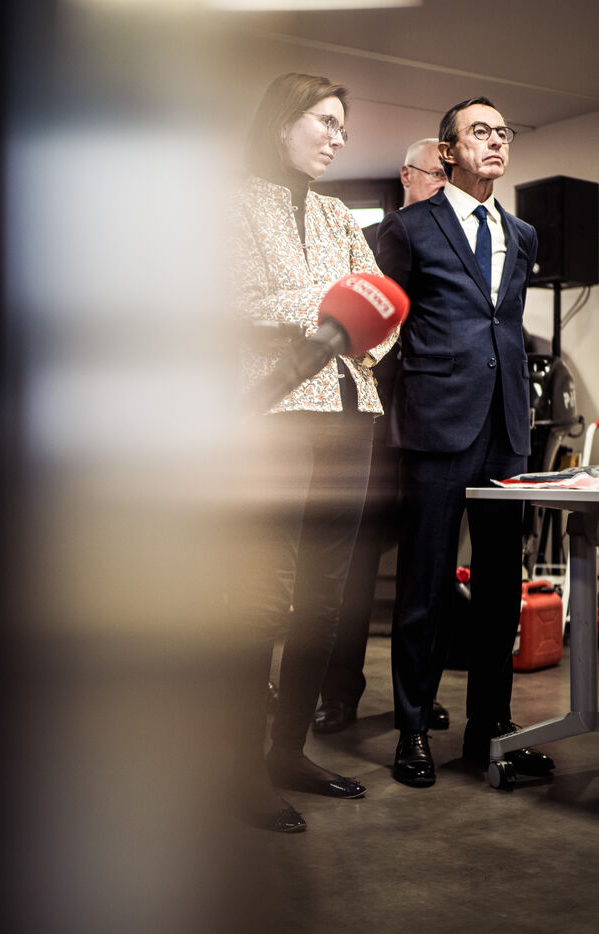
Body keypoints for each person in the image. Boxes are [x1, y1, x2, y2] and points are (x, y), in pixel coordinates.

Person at [228, 72, 397, 831]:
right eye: (325, 121)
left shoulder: (335, 212)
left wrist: (357, 325)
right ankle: (235, 769)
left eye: (342, 126)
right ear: (281, 122)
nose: (338, 137)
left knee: (327, 601)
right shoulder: (228, 203)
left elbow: (382, 306)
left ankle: (287, 752)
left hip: (350, 417)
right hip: (272, 416)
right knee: (263, 601)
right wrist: (332, 310)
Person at [376, 97, 555, 787]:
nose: (496, 140)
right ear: (448, 151)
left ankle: (489, 732)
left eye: (502, 132)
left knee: (500, 587)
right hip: (435, 423)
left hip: (506, 425)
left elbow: (501, 325)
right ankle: (413, 730)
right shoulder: (407, 228)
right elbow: (386, 331)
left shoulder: (523, 234)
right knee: (424, 585)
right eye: (479, 131)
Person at [313, 138, 451, 736]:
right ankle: (339, 693)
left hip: (429, 424)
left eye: (450, 175)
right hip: (377, 420)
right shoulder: (382, 237)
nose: (444, 184)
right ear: (407, 176)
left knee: (424, 568)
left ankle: (414, 696)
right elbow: (367, 329)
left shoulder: (456, 245)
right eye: (436, 173)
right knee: (355, 568)